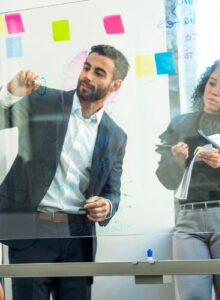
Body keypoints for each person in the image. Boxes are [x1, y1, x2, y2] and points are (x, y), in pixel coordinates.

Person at [0, 44, 129, 300]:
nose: (87, 76)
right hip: (32, 233)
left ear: (114, 86)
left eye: (99, 73)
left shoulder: (116, 136)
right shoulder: (45, 101)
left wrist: (107, 205)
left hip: (78, 238)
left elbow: (112, 193)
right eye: (86, 67)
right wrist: (11, 93)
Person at [155, 57, 220, 300]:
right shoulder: (182, 123)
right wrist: (176, 162)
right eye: (211, 83)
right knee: (191, 296)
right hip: (188, 219)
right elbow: (167, 181)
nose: (214, 91)